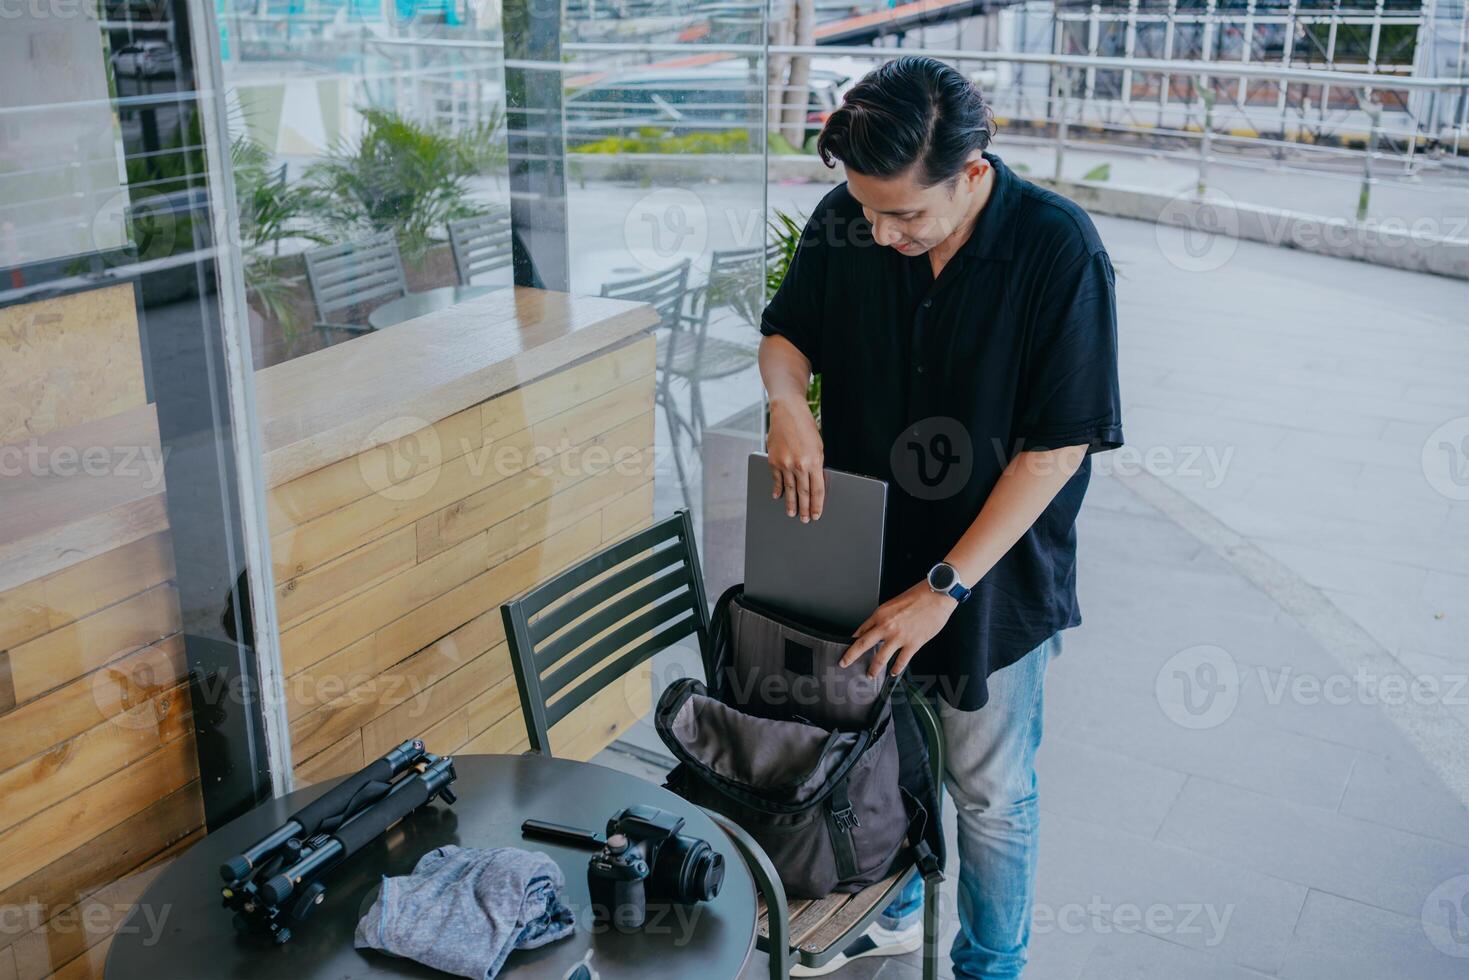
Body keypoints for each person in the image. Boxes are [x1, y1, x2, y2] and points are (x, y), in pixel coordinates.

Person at [759, 56, 1123, 979]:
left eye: (905, 216)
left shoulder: (1057, 249)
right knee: (883, 755)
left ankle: (990, 963)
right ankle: (901, 904)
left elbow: (1056, 447)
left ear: (970, 173)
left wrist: (944, 588)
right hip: (867, 547)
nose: (879, 233)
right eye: (869, 210)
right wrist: (787, 403)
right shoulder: (851, 216)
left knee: (990, 790)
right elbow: (787, 330)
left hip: (988, 580)